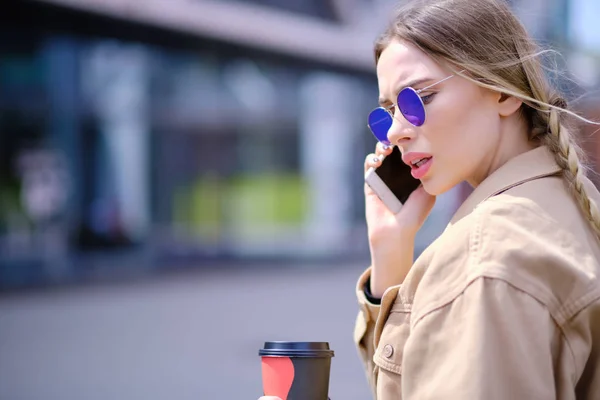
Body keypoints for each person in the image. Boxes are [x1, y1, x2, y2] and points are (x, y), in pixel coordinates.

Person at [259, 0, 600, 398]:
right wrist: (390, 249)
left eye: (417, 99)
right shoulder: (570, 207)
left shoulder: (483, 258)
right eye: (387, 112)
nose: (395, 133)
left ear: (503, 93)